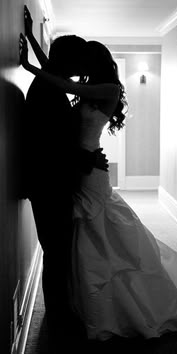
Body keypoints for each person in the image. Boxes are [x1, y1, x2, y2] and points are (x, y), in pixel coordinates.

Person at [20, 34, 177, 342]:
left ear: (95, 63)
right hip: (79, 169)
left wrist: (28, 63)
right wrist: (31, 40)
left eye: (86, 62)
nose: (81, 67)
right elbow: (58, 76)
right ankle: (89, 301)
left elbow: (63, 83)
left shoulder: (109, 89)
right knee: (88, 237)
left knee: (104, 230)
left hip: (91, 172)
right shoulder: (87, 89)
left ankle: (139, 300)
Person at [20, 6, 108, 352]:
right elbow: (53, 144)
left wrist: (30, 37)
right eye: (77, 62)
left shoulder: (49, 84)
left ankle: (61, 311)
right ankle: (58, 318)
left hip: (51, 182)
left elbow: (51, 70)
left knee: (58, 250)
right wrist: (87, 157)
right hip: (49, 184)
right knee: (57, 253)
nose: (82, 69)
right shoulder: (47, 92)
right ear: (68, 62)